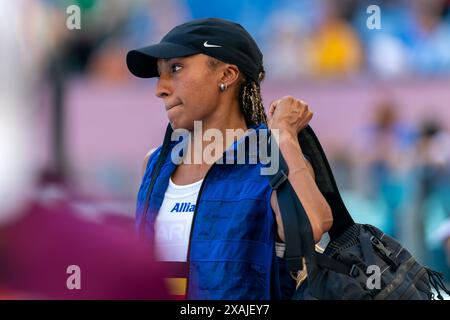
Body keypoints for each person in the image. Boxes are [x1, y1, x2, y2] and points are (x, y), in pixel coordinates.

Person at [126, 18, 333, 299]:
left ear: (227, 75)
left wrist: (283, 134)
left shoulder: (272, 158)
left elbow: (312, 226)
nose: (160, 88)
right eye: (159, 74)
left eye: (175, 68)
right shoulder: (155, 163)